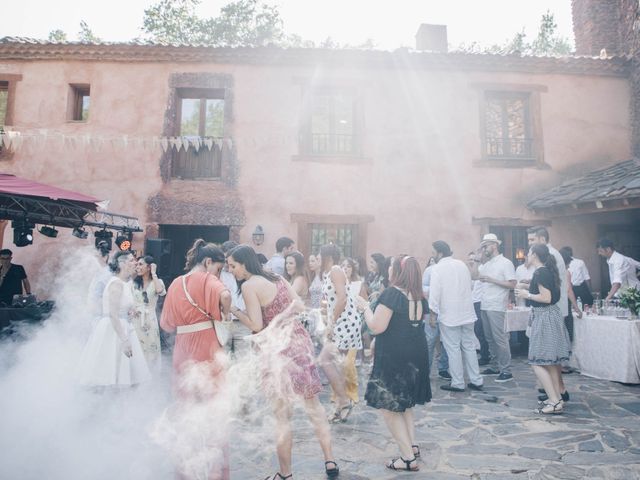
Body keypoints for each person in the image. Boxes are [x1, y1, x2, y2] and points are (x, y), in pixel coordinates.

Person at [226, 245, 340, 480]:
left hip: (276, 350)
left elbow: (256, 325)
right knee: (314, 407)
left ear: (244, 264)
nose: (231, 270)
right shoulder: (277, 277)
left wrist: (233, 310)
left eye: (233, 266)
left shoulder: (249, 286)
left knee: (282, 416)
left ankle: (285, 474)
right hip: (299, 341)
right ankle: (330, 460)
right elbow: (298, 304)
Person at [160, 239, 232, 480]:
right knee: (214, 410)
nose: (218, 274)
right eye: (219, 269)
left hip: (182, 350)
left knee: (186, 410)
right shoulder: (207, 278)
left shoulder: (174, 284)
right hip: (207, 346)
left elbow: (166, 325)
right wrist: (224, 315)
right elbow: (224, 294)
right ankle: (215, 473)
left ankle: (185, 471)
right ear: (208, 262)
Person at [356, 255, 431, 472]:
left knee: (389, 407)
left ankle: (407, 458)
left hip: (396, 357)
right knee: (405, 403)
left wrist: (365, 307)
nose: (388, 269)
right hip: (416, 355)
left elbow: (376, 327)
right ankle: (412, 446)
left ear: (397, 271)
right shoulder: (417, 295)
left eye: (390, 266)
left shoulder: (392, 294)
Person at [78, 250, 151, 387]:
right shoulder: (116, 284)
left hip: (123, 326)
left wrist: (130, 311)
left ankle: (117, 403)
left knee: (121, 373)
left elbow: (121, 307)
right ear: (122, 264)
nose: (135, 263)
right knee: (110, 372)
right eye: (131, 260)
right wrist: (124, 340)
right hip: (113, 330)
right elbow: (113, 314)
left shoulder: (124, 283)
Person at [515, 244, 571, 414]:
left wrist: (527, 295)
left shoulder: (540, 272)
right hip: (551, 316)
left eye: (528, 253)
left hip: (544, 316)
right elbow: (548, 293)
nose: (526, 256)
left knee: (537, 362)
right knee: (552, 363)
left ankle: (553, 401)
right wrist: (528, 286)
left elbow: (546, 298)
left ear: (534, 255)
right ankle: (557, 399)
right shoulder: (546, 271)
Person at [429, 241, 483, 393]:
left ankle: (458, 382)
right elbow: (470, 285)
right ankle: (476, 380)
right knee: (469, 347)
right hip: (467, 312)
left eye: (433, 253)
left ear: (439, 253)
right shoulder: (461, 264)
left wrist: (433, 314)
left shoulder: (437, 268)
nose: (432, 256)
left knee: (453, 348)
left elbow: (435, 293)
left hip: (450, 314)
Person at [318, 244, 362, 423]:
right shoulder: (329, 273)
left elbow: (342, 297)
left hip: (345, 323)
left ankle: (344, 401)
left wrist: (332, 323)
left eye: (319, 257)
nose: (318, 260)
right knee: (337, 364)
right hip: (341, 322)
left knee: (324, 359)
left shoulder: (336, 270)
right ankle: (339, 405)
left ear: (327, 257)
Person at [473, 233, 516, 383]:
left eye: (486, 245)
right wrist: (476, 259)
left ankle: (506, 370)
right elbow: (474, 276)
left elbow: (512, 284)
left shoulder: (505, 263)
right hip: (485, 304)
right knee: (489, 338)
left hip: (497, 305)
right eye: (482, 246)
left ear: (495, 245)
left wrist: (493, 280)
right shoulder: (486, 264)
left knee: (500, 339)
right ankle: (494, 365)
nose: (484, 248)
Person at [131, 255, 166, 372]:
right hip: (135, 319)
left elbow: (160, 291)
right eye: (137, 264)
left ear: (148, 267)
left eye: (141, 264)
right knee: (136, 348)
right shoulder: (134, 283)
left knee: (150, 348)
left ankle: (150, 376)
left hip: (149, 321)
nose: (138, 267)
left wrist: (154, 273)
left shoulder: (157, 282)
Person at [422, 256, 450, 379]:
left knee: (447, 342)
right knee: (430, 341)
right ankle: (425, 370)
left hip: (447, 310)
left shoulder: (450, 270)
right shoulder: (429, 270)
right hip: (431, 310)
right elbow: (424, 288)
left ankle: (443, 368)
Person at [468, 252, 490, 366]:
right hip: (473, 302)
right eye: (469, 259)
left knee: (480, 330)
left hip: (480, 302)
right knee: (477, 330)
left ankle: (485, 355)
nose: (471, 261)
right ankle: (484, 353)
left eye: (473, 259)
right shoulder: (470, 272)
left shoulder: (481, 269)